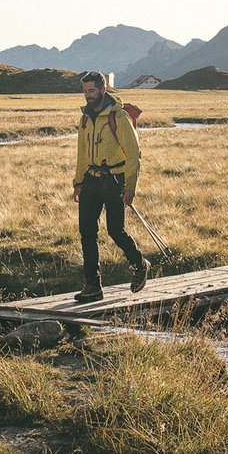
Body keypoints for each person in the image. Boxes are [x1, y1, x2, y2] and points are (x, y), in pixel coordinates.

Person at [72, 71, 148, 301]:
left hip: (114, 181)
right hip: (91, 182)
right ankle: (93, 286)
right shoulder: (85, 118)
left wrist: (130, 188)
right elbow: (82, 154)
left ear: (103, 90)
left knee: (116, 230)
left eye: (92, 90)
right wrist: (78, 182)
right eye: (85, 91)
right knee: (87, 232)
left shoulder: (119, 117)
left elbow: (134, 154)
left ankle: (139, 263)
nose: (88, 95)